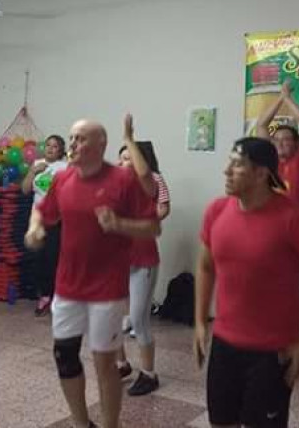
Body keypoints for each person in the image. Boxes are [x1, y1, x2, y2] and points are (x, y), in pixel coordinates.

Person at [195, 137, 299, 428]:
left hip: (272, 353)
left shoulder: (293, 218)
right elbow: (205, 266)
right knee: (221, 422)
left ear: (261, 173)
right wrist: (200, 321)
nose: (226, 170)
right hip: (224, 346)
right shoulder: (216, 211)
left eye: (237, 165)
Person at [25, 119, 160, 428]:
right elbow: (42, 211)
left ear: (101, 145)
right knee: (64, 356)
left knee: (104, 363)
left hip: (106, 290)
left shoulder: (123, 180)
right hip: (67, 286)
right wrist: (35, 228)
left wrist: (119, 224)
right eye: (71, 138)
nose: (73, 144)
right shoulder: (62, 179)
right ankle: (81, 423)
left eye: (81, 139)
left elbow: (153, 226)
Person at [256, 78, 299, 330]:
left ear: (296, 144)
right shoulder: (270, 163)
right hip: (269, 233)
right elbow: (262, 125)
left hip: (298, 235)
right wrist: (280, 99)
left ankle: (296, 332)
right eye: (277, 139)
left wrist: (289, 99)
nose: (281, 143)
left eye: (286, 139)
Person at [115, 115, 170, 396]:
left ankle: (149, 374)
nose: (123, 162)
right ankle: (121, 364)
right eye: (121, 158)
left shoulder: (151, 181)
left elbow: (159, 204)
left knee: (138, 320)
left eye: (129, 158)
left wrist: (128, 137)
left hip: (143, 260)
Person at [21, 133, 69, 316]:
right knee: (37, 258)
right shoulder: (37, 164)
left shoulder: (65, 167)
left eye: (54, 146)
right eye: (48, 145)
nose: (50, 149)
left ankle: (58, 297)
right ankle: (44, 295)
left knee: (53, 258)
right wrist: (33, 171)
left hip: (57, 219)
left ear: (61, 150)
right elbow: (25, 189)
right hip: (37, 218)